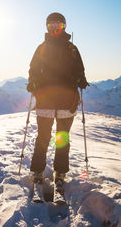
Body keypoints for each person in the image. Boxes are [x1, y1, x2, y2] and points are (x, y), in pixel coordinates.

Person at [27, 12, 89, 188]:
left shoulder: (72, 49)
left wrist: (81, 80)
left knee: (62, 138)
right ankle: (38, 171)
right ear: (47, 27)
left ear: (64, 27)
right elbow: (33, 70)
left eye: (58, 26)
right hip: (46, 102)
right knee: (43, 138)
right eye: (51, 26)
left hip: (66, 102)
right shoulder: (41, 48)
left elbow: (80, 71)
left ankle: (60, 172)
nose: (54, 29)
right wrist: (32, 82)